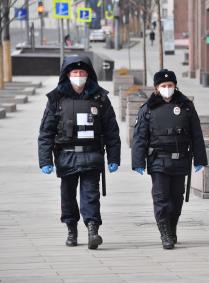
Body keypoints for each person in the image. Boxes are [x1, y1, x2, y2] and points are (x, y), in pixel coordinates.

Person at [38, 55, 121, 249]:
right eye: (74, 72)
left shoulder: (100, 98)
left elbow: (111, 130)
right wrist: (45, 160)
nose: (78, 75)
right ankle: (71, 229)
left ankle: (93, 230)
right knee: (67, 195)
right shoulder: (56, 99)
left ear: (88, 74)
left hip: (92, 155)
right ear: (67, 75)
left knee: (91, 194)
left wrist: (114, 157)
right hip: (66, 155)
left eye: (82, 72)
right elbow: (46, 132)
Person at [131, 69, 208, 249]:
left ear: (175, 86)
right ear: (156, 88)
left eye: (170, 85)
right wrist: (138, 161)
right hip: (158, 160)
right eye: (163, 86)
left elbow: (196, 134)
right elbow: (140, 137)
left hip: (180, 160)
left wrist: (199, 158)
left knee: (177, 198)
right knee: (161, 197)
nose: (167, 88)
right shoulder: (148, 109)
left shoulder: (186, 106)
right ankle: (165, 233)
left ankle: (172, 227)